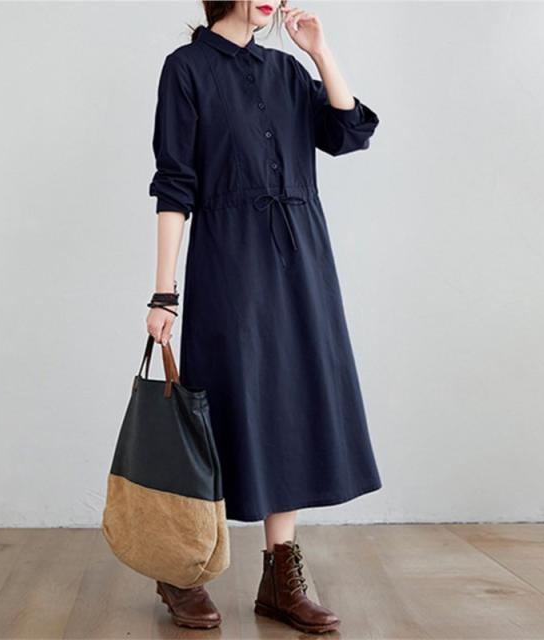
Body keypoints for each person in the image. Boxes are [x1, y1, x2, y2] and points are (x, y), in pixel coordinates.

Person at [146, 0, 383, 633]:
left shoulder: (285, 70)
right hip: (230, 259)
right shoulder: (186, 68)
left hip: (303, 260)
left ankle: (280, 575)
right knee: (215, 407)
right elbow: (174, 183)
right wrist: (164, 293)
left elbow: (349, 134)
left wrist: (319, 52)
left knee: (292, 401)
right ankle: (182, 567)